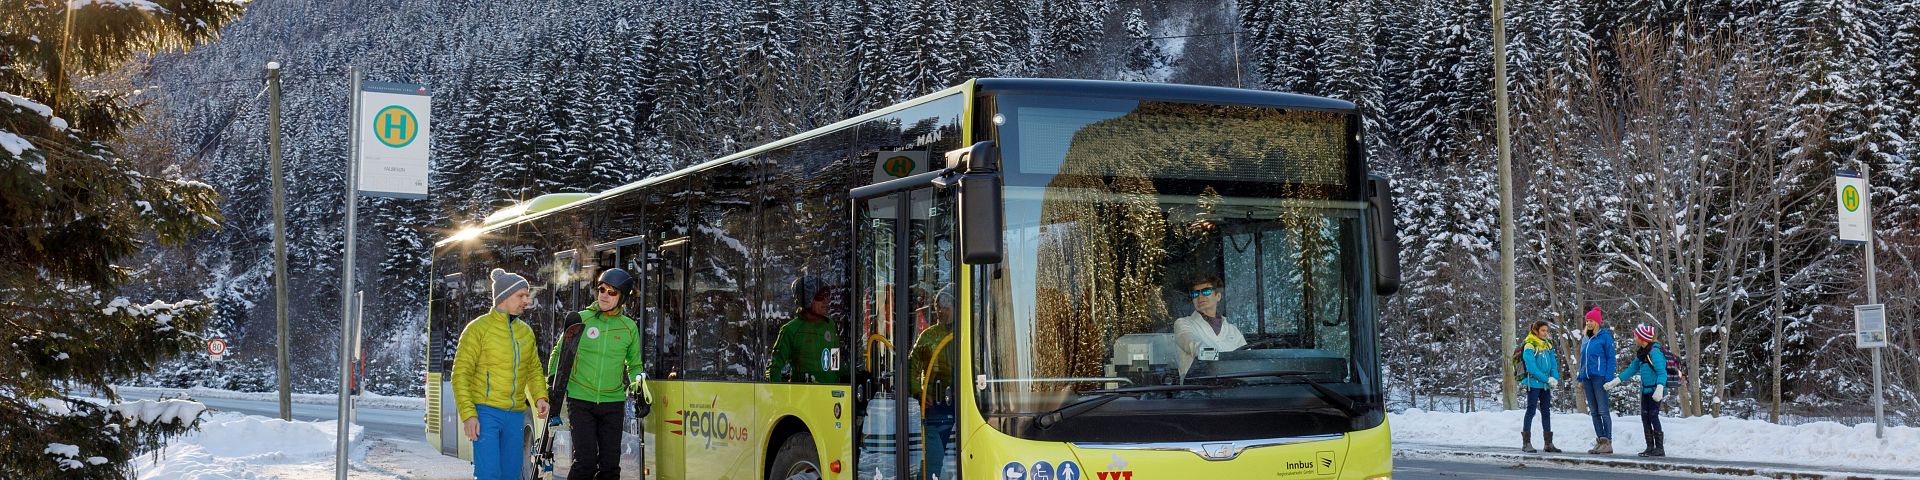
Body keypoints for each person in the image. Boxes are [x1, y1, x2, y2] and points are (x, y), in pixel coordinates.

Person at [452, 268, 550, 480]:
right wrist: (469, 415)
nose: (527, 300)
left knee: (511, 474)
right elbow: (460, 375)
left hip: (515, 414)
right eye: (521, 295)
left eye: (527, 295)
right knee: (489, 473)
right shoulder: (478, 329)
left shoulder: (526, 332)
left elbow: (533, 369)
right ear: (504, 297)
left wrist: (540, 397)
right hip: (486, 413)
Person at [549, 268, 644, 480]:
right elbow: (559, 354)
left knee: (610, 466)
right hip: (581, 400)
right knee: (585, 462)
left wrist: (639, 388)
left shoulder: (629, 328)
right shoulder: (581, 320)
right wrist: (551, 382)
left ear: (622, 298)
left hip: (613, 403)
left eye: (612, 292)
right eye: (602, 289)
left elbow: (635, 365)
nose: (604, 295)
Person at [909, 285, 958, 479]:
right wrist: (919, 392)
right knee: (934, 460)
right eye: (938, 306)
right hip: (934, 410)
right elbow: (910, 369)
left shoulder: (968, 334)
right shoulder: (928, 337)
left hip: (960, 408)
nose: (941, 310)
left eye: (946, 306)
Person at [767, 276, 844, 383]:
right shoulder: (790, 329)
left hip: (829, 395)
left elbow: (835, 361)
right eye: (820, 296)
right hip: (802, 396)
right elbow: (774, 368)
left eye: (827, 296)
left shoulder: (829, 325)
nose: (826, 301)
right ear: (808, 299)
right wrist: (778, 396)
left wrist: (844, 382)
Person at [1607, 324, 1668, 457]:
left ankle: (1660, 448)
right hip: (1645, 390)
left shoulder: (1655, 353)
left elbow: (1662, 372)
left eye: (1636, 336)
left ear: (1643, 338)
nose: (1634, 338)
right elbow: (1631, 369)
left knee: (1653, 416)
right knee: (1645, 417)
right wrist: (1616, 381)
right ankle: (1650, 447)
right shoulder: (1642, 354)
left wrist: (1660, 388)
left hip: (1655, 391)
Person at [1173, 274, 1246, 375]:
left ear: (1218, 296)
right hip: (1198, 387)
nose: (1200, 297)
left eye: (1206, 291)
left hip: (1235, 387)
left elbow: (1247, 357)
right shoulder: (1183, 323)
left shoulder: (1232, 329)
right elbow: (1193, 345)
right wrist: (1214, 356)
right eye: (1195, 294)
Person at [1575, 307, 1617, 454]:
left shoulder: (1605, 337)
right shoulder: (1586, 338)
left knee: (1603, 410)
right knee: (1593, 412)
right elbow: (1583, 360)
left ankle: (1608, 442)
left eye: (1591, 320)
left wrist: (1609, 377)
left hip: (1600, 378)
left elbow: (1611, 358)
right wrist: (1580, 377)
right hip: (1587, 378)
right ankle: (1601, 441)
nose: (1589, 323)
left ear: (1598, 322)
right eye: (1587, 321)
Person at [1521, 320, 1562, 453]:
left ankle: (1548, 443)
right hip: (1533, 383)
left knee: (1546, 411)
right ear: (1536, 330)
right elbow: (1531, 368)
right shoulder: (1529, 345)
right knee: (1531, 410)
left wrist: (1554, 378)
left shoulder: (1548, 345)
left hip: (1546, 385)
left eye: (1546, 331)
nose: (1545, 333)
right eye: (1543, 330)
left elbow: (1553, 364)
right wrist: (1547, 379)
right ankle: (1526, 443)